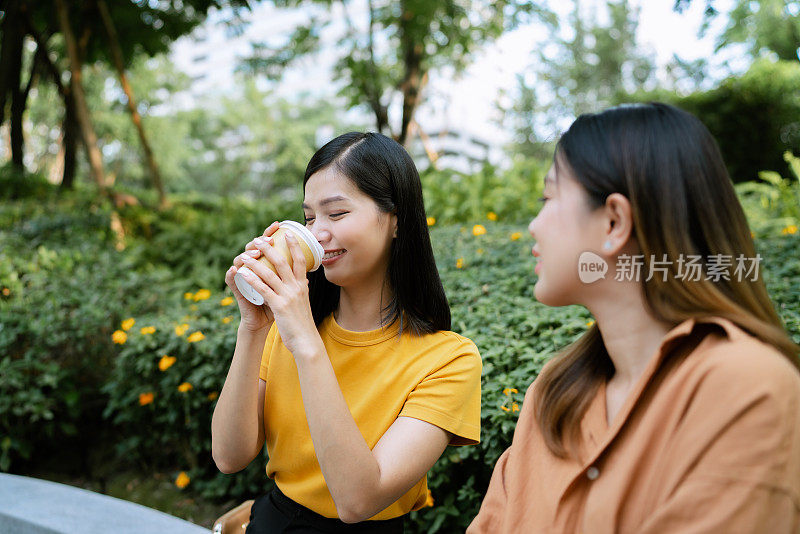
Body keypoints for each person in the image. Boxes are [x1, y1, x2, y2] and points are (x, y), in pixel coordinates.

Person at [468, 103, 800, 533]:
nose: (533, 225)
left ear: (613, 221)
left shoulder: (748, 388)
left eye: (548, 198)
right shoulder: (552, 393)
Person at [212, 132, 482, 533]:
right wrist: (253, 328)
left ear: (396, 220)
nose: (318, 232)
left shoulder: (448, 361)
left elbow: (358, 501)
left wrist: (305, 342)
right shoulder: (283, 330)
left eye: (336, 214)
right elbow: (229, 456)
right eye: (308, 217)